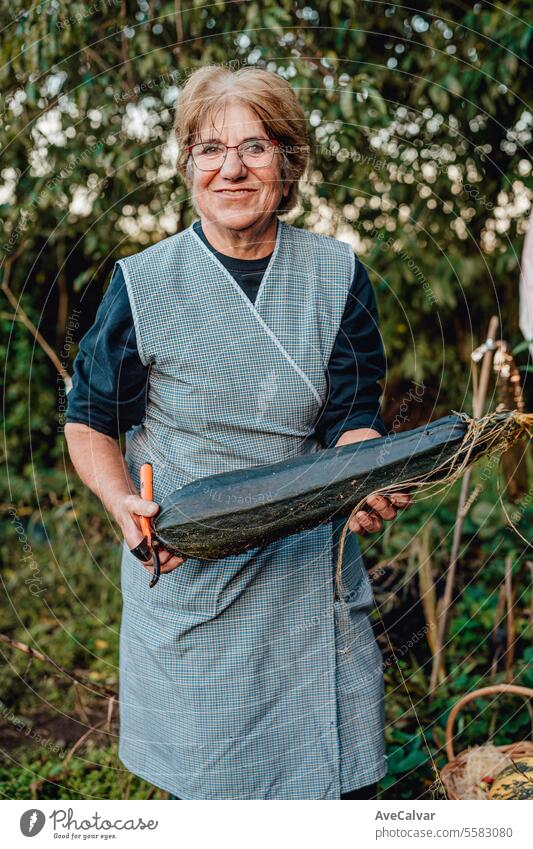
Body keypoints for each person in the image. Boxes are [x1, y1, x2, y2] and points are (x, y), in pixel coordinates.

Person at [65, 65, 410, 800]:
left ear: (287, 166)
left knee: (322, 795)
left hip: (307, 570)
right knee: (213, 796)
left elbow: (352, 410)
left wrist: (362, 472)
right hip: (193, 565)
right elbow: (90, 422)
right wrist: (121, 501)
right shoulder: (143, 282)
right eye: (209, 149)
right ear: (187, 164)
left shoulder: (336, 271)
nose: (231, 168)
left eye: (254, 148)